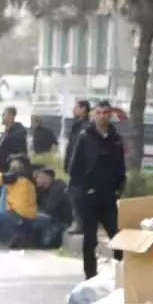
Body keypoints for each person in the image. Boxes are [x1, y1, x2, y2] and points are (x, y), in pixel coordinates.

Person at [68, 99, 126, 279]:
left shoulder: (115, 138)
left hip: (109, 195)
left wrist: (118, 189)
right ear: (94, 114)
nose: (102, 116)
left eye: (106, 113)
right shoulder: (85, 136)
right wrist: (84, 188)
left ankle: (120, 273)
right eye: (99, 113)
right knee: (90, 239)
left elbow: (120, 166)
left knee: (116, 236)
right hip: (89, 196)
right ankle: (90, 275)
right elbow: (74, 167)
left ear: (110, 114)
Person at [0, 159, 39, 247]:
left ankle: (5, 239)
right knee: (0, 213)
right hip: (30, 216)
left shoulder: (14, 178)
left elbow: (1, 178)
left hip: (17, 214)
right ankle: (13, 237)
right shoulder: (30, 181)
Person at [65, 99, 91, 234]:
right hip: (74, 167)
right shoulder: (77, 125)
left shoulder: (85, 127)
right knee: (74, 195)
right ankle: (79, 222)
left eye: (76, 107)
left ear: (83, 109)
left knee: (77, 196)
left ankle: (80, 224)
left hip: (80, 169)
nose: (73, 109)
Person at [31, 166, 73, 249]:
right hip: (51, 220)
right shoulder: (43, 189)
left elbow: (49, 209)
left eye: (38, 176)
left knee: (30, 215)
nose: (36, 179)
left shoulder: (58, 186)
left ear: (47, 177)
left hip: (60, 222)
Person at [0, 106, 28, 173]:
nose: (1, 116)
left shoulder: (19, 132)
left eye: (4, 114)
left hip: (10, 170)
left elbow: (21, 152)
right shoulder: (4, 131)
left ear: (10, 116)